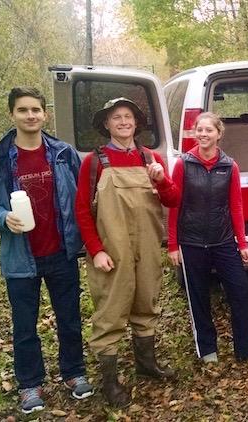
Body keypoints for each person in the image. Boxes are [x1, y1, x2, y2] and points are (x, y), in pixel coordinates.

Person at [0, 87, 92, 414]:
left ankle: (74, 373)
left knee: (70, 318)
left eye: (35, 110)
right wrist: (2, 217)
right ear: (12, 114)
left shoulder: (63, 154)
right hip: (21, 258)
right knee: (25, 325)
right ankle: (30, 384)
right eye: (23, 110)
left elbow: (83, 200)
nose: (30, 115)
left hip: (61, 252)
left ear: (45, 114)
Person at [75, 97, 176, 406]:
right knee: (112, 311)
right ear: (106, 124)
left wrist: (162, 181)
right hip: (112, 251)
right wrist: (95, 250)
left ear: (136, 122)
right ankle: (109, 382)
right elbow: (81, 211)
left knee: (147, 302)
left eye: (128, 116)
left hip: (146, 247)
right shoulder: (94, 162)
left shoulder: (150, 158)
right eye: (116, 117)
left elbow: (173, 200)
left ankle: (146, 365)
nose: (122, 122)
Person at [167, 112, 248, 363]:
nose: (203, 134)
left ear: (219, 134)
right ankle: (207, 349)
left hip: (223, 240)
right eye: (199, 130)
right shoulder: (184, 164)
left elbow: (236, 206)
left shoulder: (229, 166)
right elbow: (174, 206)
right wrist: (173, 245)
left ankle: (246, 347)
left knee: (241, 290)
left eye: (208, 130)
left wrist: (243, 243)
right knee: (199, 295)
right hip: (192, 242)